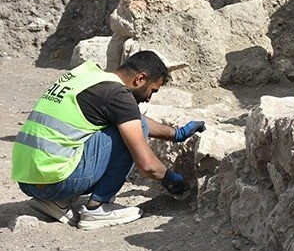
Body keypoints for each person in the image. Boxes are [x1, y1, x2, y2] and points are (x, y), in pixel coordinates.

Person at [11, 51, 206, 230]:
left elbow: (127, 116)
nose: (149, 99)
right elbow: (147, 165)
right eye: (152, 91)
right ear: (140, 79)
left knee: (131, 125)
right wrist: (169, 178)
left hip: (28, 180)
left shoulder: (88, 76)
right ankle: (98, 208)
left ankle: (54, 201)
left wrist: (175, 133)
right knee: (136, 131)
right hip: (56, 181)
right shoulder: (118, 95)